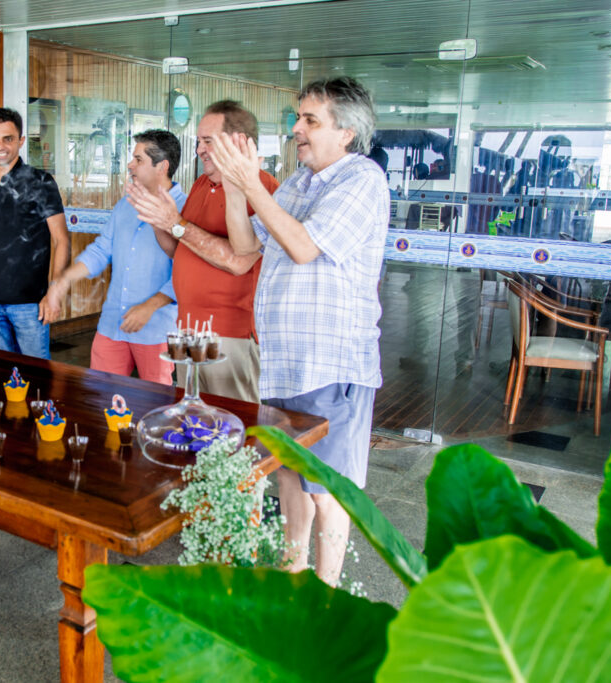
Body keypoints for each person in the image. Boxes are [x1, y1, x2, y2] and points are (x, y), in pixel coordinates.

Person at [208, 76, 390, 586]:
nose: (297, 130)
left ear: (347, 132)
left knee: (326, 489)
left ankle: (326, 595)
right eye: (297, 119)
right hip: (285, 362)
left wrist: (250, 184)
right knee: (289, 473)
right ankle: (294, 572)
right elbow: (246, 247)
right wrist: (233, 186)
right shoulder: (299, 181)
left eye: (311, 120)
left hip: (331, 363)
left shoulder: (362, 179)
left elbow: (305, 246)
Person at [128, 100, 279, 403]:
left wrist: (177, 223)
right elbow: (180, 250)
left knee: (234, 429)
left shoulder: (264, 189)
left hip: (231, 335)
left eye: (207, 141)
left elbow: (238, 262)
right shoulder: (201, 184)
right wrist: (160, 220)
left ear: (239, 142)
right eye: (198, 141)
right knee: (192, 420)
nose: (198, 150)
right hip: (187, 330)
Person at [45, 130, 184, 384]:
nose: (130, 165)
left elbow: (187, 273)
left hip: (156, 330)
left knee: (156, 409)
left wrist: (149, 307)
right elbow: (100, 251)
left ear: (162, 167)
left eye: (138, 159)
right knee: (101, 402)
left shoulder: (185, 210)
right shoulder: (124, 206)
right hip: (112, 324)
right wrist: (64, 280)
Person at [0, 108, 67, 359]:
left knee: (38, 379)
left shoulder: (41, 182)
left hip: (30, 304)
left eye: (8, 138)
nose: (1, 146)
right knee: (4, 378)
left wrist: (53, 293)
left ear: (20, 141)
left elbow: (62, 240)